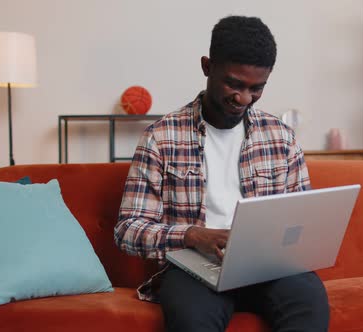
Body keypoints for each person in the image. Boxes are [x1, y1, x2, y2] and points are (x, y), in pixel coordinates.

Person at [115, 15, 329, 332]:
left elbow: (301, 219)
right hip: (194, 268)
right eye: (234, 84)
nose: (243, 98)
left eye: (257, 88)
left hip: (269, 267)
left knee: (310, 305)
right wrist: (192, 235)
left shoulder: (281, 137)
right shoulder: (161, 137)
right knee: (191, 319)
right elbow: (128, 229)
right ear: (207, 66)